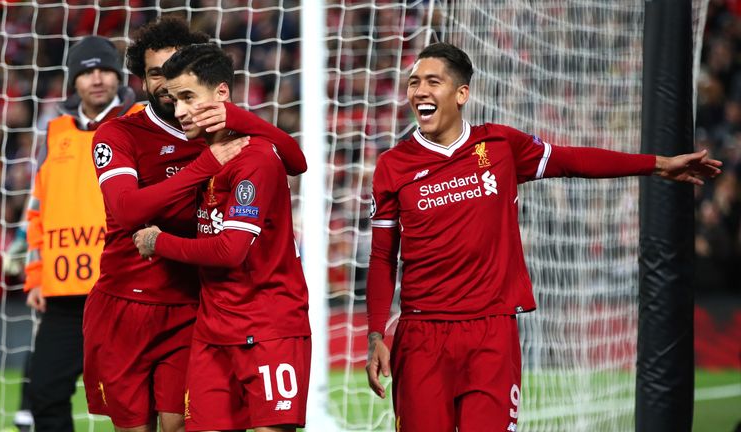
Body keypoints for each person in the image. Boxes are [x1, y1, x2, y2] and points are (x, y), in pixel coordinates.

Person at [364, 42, 722, 432]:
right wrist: (375, 334)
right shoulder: (392, 167)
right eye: (414, 82)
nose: (419, 91)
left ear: (461, 93)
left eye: (433, 81)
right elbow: (382, 257)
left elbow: (572, 160)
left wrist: (657, 165)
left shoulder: (499, 146)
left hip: (492, 332)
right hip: (422, 335)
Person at [82, 18, 306, 432]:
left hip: (191, 305)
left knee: (180, 426)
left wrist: (238, 117)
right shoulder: (120, 133)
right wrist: (204, 166)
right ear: (143, 80)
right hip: (123, 302)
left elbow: (295, 159)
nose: (167, 86)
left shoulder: (216, 128)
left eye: (175, 73)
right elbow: (126, 212)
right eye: (155, 74)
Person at [21, 35, 143, 432]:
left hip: (123, 288)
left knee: (138, 400)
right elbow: (37, 210)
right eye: (87, 71)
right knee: (44, 394)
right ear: (73, 80)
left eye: (105, 70)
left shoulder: (140, 121)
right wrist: (36, 275)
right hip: (65, 296)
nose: (96, 79)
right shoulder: (55, 133)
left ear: (118, 76)